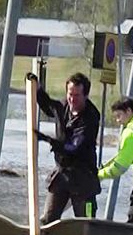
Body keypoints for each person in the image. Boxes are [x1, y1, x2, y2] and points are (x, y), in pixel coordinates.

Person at [30, 71, 101, 224]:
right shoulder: (64, 106)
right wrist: (37, 89)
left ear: (86, 95)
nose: (72, 99)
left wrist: (49, 140)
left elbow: (75, 147)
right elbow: (50, 107)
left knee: (85, 223)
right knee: (48, 220)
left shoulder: (91, 116)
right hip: (62, 174)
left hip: (83, 177)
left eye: (77, 95)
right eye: (70, 94)